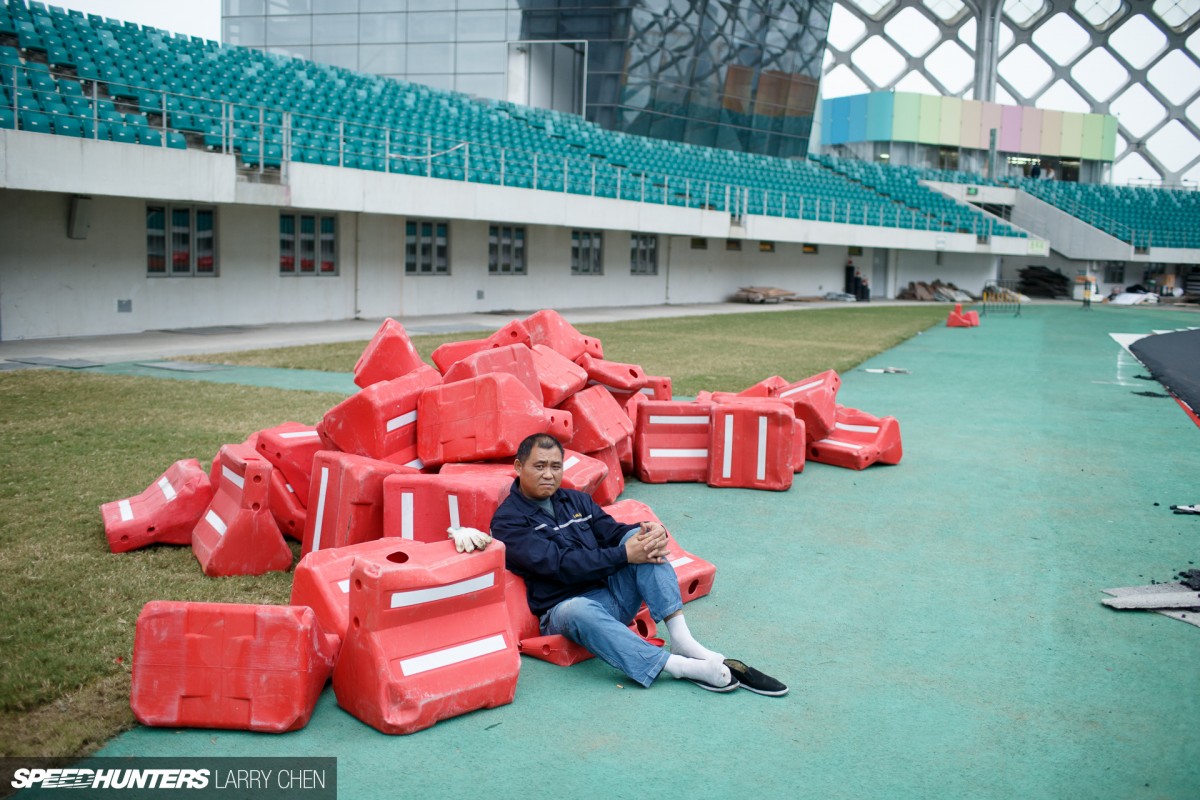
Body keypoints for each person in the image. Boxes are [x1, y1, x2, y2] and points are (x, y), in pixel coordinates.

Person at [490, 432, 786, 695]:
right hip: (566, 610)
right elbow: (561, 564)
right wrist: (624, 555)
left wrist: (647, 531)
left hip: (613, 596)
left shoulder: (575, 500)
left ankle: (683, 639)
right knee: (580, 605)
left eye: (555, 467)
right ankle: (678, 666)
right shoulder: (507, 521)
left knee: (640, 540)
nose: (548, 475)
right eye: (539, 466)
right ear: (519, 467)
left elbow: (612, 532)